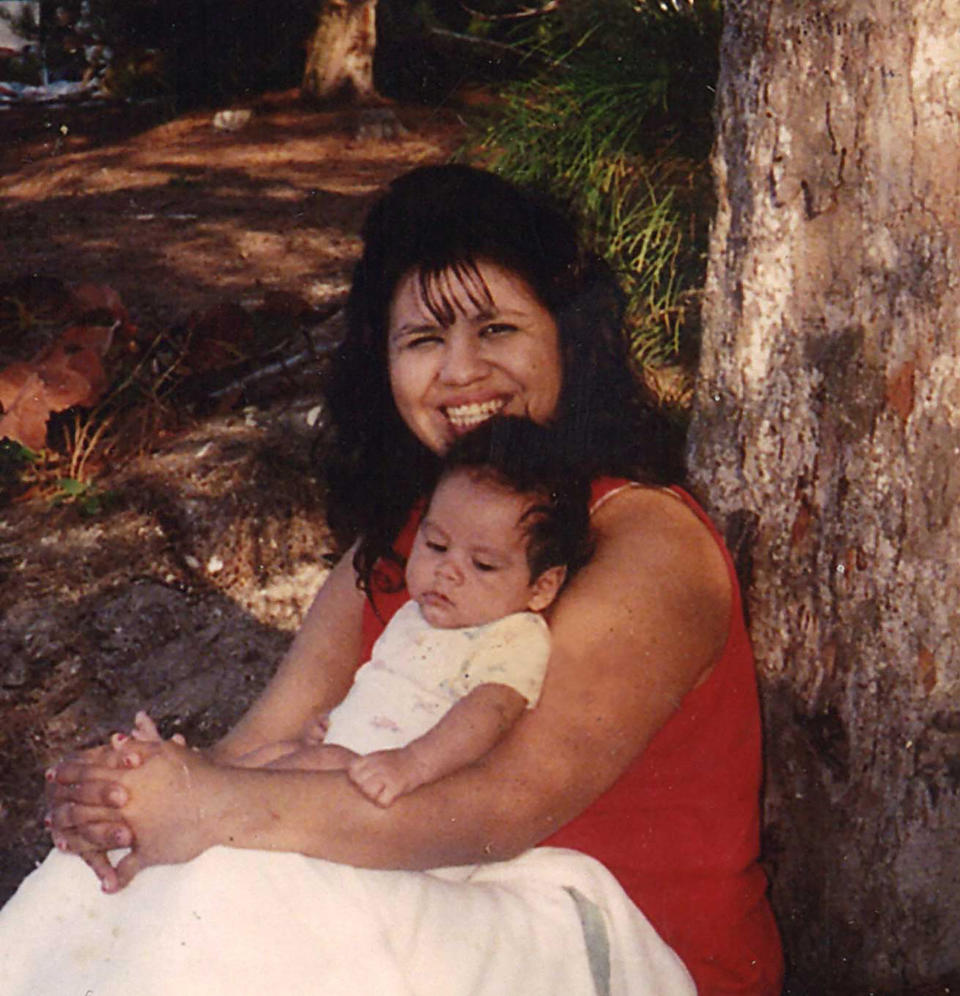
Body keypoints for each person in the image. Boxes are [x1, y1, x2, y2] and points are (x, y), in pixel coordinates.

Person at [6, 164, 782, 995]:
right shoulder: (399, 544)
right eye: (422, 340)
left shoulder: (643, 537)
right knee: (101, 879)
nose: (458, 372)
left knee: (238, 878)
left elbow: (505, 806)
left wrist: (211, 806)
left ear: (569, 337)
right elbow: (251, 750)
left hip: (620, 946)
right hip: (422, 897)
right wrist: (126, 799)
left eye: (496, 331)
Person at [130, 417, 592, 811]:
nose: (447, 572)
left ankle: (191, 798)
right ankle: (185, 773)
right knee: (281, 754)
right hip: (353, 759)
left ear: (542, 586)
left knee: (303, 768)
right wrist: (337, 718)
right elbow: (387, 689)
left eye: (483, 564)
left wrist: (412, 764)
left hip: (407, 791)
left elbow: (488, 714)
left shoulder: (513, 635)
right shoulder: (420, 615)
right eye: (435, 545)